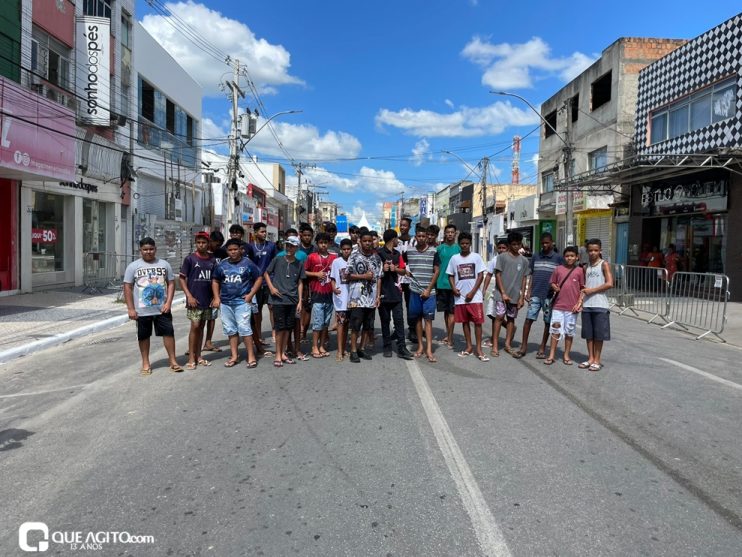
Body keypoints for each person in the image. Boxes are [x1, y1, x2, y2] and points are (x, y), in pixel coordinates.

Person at [123, 237, 181, 375]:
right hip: (142, 310)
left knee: (168, 333)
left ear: (155, 249)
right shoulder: (133, 266)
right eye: (145, 249)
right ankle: (145, 363)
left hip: (162, 309)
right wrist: (130, 308)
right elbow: (127, 287)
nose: (148, 252)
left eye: (151, 249)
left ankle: (173, 361)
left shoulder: (164, 264)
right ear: (140, 251)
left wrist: (168, 303)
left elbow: (171, 283)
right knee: (143, 336)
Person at [211, 238, 263, 369]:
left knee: (245, 328)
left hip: (242, 302)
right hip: (226, 303)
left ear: (240, 250)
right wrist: (217, 298)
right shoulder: (222, 265)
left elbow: (259, 278)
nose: (233, 252)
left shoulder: (248, 263)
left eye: (235, 249)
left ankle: (251, 356)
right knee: (230, 329)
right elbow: (215, 281)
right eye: (230, 250)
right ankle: (234, 355)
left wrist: (251, 294)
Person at [519, 233, 563, 359]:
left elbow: (561, 276)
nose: (545, 245)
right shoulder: (536, 256)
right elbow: (531, 274)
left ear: (552, 242)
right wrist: (528, 290)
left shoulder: (558, 258)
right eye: (543, 243)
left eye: (547, 243)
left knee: (547, 322)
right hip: (535, 294)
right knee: (528, 320)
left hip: (549, 296)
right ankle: (523, 346)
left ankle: (543, 347)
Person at [263, 236, 306, 367]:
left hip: (292, 300)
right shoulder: (277, 259)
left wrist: (299, 301)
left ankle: (282, 353)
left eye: (292, 246)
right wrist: (271, 288)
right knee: (280, 327)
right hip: (278, 300)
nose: (289, 248)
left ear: (297, 248)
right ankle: (277, 354)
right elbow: (266, 273)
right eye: (287, 245)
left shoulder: (299, 263)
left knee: (288, 328)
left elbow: (300, 282)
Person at [179, 231, 217, 370]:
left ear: (208, 244)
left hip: (207, 300)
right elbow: (182, 278)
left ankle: (199, 355)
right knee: (194, 326)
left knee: (201, 327)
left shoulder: (212, 260)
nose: (201, 245)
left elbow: (215, 280)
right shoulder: (190, 259)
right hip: (194, 300)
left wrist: (215, 296)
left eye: (204, 242)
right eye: (198, 242)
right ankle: (191, 357)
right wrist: (189, 296)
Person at [447, 232, 487, 361]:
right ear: (459, 244)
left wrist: (473, 292)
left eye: (467, 243)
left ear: (470, 244)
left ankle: (479, 349)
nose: (464, 246)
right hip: (460, 298)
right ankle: (469, 346)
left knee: (478, 323)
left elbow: (480, 276)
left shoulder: (476, 257)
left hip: (475, 298)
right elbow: (450, 275)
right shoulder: (454, 258)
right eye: (462, 243)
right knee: (464, 322)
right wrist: (454, 288)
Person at [404, 225, 440, 362]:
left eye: (423, 236)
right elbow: (401, 263)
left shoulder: (433, 251)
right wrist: (404, 270)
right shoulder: (409, 251)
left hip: (429, 292)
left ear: (427, 237)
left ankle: (429, 349)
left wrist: (429, 289)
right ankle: (420, 346)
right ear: (415, 237)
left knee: (428, 321)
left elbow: (437, 271)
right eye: (419, 236)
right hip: (414, 290)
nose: (421, 238)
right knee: (417, 319)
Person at [543, 246, 585, 366]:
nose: (569, 258)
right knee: (555, 330)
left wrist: (579, 303)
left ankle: (566, 355)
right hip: (558, 306)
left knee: (569, 332)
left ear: (577, 257)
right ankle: (551, 355)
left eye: (572, 256)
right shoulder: (558, 269)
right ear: (563, 257)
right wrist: (554, 286)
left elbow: (583, 288)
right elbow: (552, 282)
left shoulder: (579, 271)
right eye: (567, 256)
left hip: (572, 308)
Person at [377, 229, 415, 360]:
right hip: (383, 293)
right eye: (396, 238)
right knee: (385, 321)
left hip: (396, 293)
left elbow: (403, 271)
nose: (398, 240)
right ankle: (387, 345)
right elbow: (374, 270)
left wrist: (395, 269)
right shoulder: (379, 253)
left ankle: (402, 347)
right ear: (392, 239)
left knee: (399, 320)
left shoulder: (397, 253)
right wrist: (383, 268)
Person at [347, 229, 382, 363]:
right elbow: (347, 275)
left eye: (370, 241)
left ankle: (362, 348)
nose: (368, 243)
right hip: (356, 299)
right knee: (356, 325)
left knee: (368, 325)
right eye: (365, 241)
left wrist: (378, 296)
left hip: (371, 298)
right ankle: (353, 350)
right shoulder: (354, 256)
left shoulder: (377, 258)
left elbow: (379, 278)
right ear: (360, 242)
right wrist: (364, 276)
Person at [579, 238, 614, 372]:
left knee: (599, 335)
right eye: (591, 250)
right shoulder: (585, 267)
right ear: (587, 251)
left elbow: (609, 283)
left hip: (600, 305)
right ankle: (590, 358)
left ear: (600, 251)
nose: (593, 253)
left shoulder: (604, 264)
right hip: (587, 305)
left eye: (596, 250)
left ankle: (597, 360)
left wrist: (591, 291)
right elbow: (583, 286)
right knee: (589, 334)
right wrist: (580, 300)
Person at [494, 231, 531, 358]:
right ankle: (494, 346)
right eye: (513, 244)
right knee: (499, 317)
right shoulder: (502, 257)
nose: (516, 246)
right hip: (501, 295)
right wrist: (503, 293)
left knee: (511, 319)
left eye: (518, 244)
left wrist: (521, 297)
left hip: (515, 297)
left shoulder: (524, 260)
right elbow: (497, 274)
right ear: (509, 245)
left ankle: (508, 344)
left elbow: (524, 279)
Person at [305, 232, 336, 358]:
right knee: (317, 322)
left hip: (329, 294)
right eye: (321, 243)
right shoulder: (311, 257)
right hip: (317, 294)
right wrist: (316, 275)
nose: (323, 245)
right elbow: (304, 272)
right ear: (317, 244)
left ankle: (322, 345)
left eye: (325, 243)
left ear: (329, 243)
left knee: (326, 323)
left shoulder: (334, 258)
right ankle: (314, 346)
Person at [248, 222, 277, 352]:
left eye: (265, 232)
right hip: (256, 283)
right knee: (257, 310)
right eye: (261, 232)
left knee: (272, 307)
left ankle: (274, 333)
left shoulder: (271, 246)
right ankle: (258, 335)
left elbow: (276, 262)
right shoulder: (250, 247)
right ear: (255, 233)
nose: (264, 234)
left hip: (269, 281)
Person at [201, 229, 227, 353]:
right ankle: (195, 345)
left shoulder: (222, 253)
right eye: (217, 243)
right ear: (210, 241)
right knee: (198, 320)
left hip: (216, 289)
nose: (219, 246)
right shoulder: (202, 253)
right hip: (202, 288)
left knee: (212, 317)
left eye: (221, 243)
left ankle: (208, 342)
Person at [482, 239, 509, 355]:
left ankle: (495, 339)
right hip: (496, 292)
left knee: (498, 316)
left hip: (509, 293)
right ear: (496, 248)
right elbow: (488, 275)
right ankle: (507, 327)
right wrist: (483, 290)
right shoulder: (494, 260)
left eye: (504, 248)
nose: (502, 250)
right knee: (492, 314)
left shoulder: (510, 260)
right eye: (500, 248)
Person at [436, 224, 460, 349]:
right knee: (446, 312)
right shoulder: (439, 249)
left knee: (452, 312)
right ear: (444, 234)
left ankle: (450, 338)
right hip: (441, 284)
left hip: (454, 285)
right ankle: (448, 333)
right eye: (448, 232)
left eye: (452, 232)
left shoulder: (459, 248)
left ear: (455, 234)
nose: (450, 234)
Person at [330, 239, 352, 361]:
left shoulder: (353, 261)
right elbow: (332, 278)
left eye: (348, 249)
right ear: (341, 250)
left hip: (352, 298)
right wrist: (333, 288)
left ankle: (344, 348)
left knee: (347, 325)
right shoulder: (336, 262)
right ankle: (339, 351)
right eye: (344, 249)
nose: (346, 251)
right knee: (340, 324)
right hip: (340, 298)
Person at [396, 217, 417, 343]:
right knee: (397, 305)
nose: (403, 227)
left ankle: (412, 329)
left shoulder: (414, 241)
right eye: (401, 225)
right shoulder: (395, 241)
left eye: (405, 225)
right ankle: (397, 330)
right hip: (398, 277)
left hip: (409, 277)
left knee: (411, 304)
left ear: (409, 227)